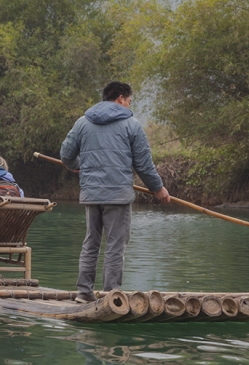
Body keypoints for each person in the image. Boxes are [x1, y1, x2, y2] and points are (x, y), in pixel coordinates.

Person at [60, 81, 170, 303]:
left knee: (91, 242)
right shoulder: (132, 125)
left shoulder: (82, 123)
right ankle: (111, 295)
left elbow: (65, 154)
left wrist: (76, 165)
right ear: (121, 98)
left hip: (91, 193)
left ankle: (84, 293)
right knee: (115, 245)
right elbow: (144, 165)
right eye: (129, 101)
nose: (130, 106)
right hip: (118, 195)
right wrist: (158, 189)